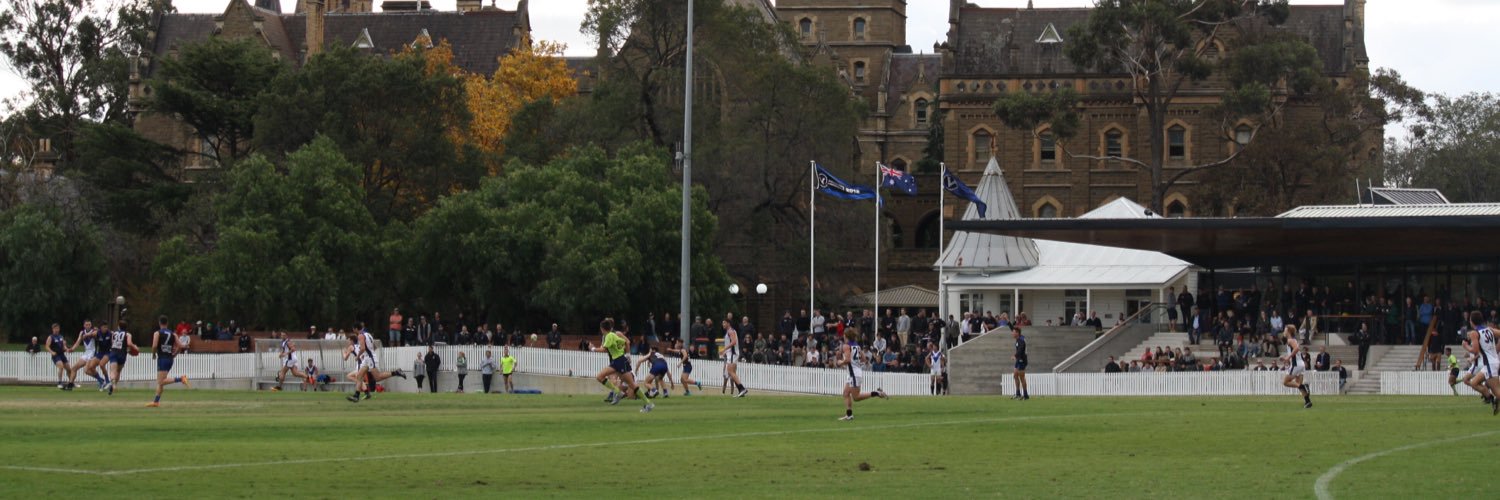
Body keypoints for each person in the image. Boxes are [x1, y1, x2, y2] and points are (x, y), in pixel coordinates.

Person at [589, 318, 653, 413]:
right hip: (617, 361)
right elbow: (624, 342)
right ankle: (618, 392)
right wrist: (623, 352)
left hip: (620, 361)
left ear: (602, 329)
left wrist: (593, 348)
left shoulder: (609, 336)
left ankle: (648, 403)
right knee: (600, 376)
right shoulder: (613, 335)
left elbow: (604, 349)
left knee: (631, 384)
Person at [835, 328, 887, 421]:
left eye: (844, 334)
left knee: (856, 397)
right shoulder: (857, 346)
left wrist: (839, 362)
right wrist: (856, 363)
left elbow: (847, 360)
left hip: (853, 374)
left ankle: (876, 393)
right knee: (846, 393)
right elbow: (864, 359)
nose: (843, 336)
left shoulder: (846, 346)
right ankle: (849, 415)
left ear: (846, 336)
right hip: (854, 373)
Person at [147, 316, 192, 407]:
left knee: (160, 381)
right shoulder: (173, 334)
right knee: (162, 381)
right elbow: (180, 346)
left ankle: (181, 378)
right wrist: (175, 354)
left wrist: (153, 354)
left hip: (162, 359)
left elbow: (154, 346)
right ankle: (156, 402)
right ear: (167, 323)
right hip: (169, 359)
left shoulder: (157, 333)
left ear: (159, 323)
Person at [1464, 311, 1499, 414]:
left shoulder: (1475, 333)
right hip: (1492, 362)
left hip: (1489, 364)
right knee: (1474, 382)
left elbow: (1475, 350)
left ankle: (1492, 398)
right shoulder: (1489, 329)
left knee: (1498, 392)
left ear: (1472, 321)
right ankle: (1490, 398)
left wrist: (1466, 346)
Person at [66, 320, 108, 390]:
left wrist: (97, 330)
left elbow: (99, 335)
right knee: (74, 368)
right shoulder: (82, 332)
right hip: (86, 353)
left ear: (91, 325)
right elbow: (78, 342)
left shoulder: (94, 331)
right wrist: (72, 349)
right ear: (84, 325)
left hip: (93, 353)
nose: (88, 326)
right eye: (86, 325)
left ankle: (101, 381)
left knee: (86, 370)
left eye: (89, 324)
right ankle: (70, 385)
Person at [1280, 325, 1312, 408]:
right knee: (1298, 384)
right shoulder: (1292, 340)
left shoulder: (1290, 340)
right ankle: (1308, 402)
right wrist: (1285, 358)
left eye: (1285, 330)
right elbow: (1295, 352)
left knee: (1286, 382)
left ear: (1289, 332)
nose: (1284, 331)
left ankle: (1304, 386)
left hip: (1296, 364)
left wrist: (1288, 357)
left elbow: (1297, 349)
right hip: (1300, 364)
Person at [105, 320, 138, 396]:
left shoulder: (114, 333)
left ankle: (113, 384)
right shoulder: (128, 334)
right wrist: (135, 347)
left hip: (114, 352)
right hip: (122, 354)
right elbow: (129, 344)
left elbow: (112, 343)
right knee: (118, 371)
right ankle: (114, 385)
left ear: (118, 326)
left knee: (113, 370)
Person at [722, 319, 748, 397]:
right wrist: (725, 352)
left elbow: (734, 342)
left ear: (728, 323)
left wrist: (724, 349)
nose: (723, 324)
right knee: (732, 373)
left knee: (730, 372)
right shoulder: (730, 331)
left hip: (733, 354)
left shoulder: (730, 331)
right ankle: (741, 390)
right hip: (731, 354)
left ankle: (742, 389)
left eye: (724, 323)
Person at [46, 323, 72, 390]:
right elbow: (47, 346)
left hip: (62, 355)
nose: (56, 330)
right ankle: (60, 383)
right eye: (55, 328)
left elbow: (63, 346)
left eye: (57, 328)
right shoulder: (50, 337)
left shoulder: (61, 336)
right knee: (61, 366)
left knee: (69, 369)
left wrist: (67, 349)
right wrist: (52, 352)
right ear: (53, 329)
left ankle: (71, 382)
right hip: (56, 355)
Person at [1011, 326, 1029, 400]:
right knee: (1015, 375)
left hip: (1022, 360)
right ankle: (1018, 393)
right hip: (1019, 359)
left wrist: (1015, 355)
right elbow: (1012, 328)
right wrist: (1007, 321)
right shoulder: (1019, 338)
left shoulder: (1021, 340)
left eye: (1013, 332)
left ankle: (1025, 395)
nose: (1012, 333)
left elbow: (1021, 349)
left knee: (1022, 377)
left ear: (1017, 333)